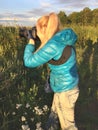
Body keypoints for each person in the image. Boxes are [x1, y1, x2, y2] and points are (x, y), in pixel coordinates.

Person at [23, 12, 79, 130]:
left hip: (66, 91)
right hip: (65, 85)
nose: (36, 33)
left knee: (68, 126)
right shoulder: (61, 38)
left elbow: (29, 61)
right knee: (53, 116)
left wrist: (31, 41)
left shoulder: (53, 45)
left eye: (37, 30)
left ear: (44, 29)